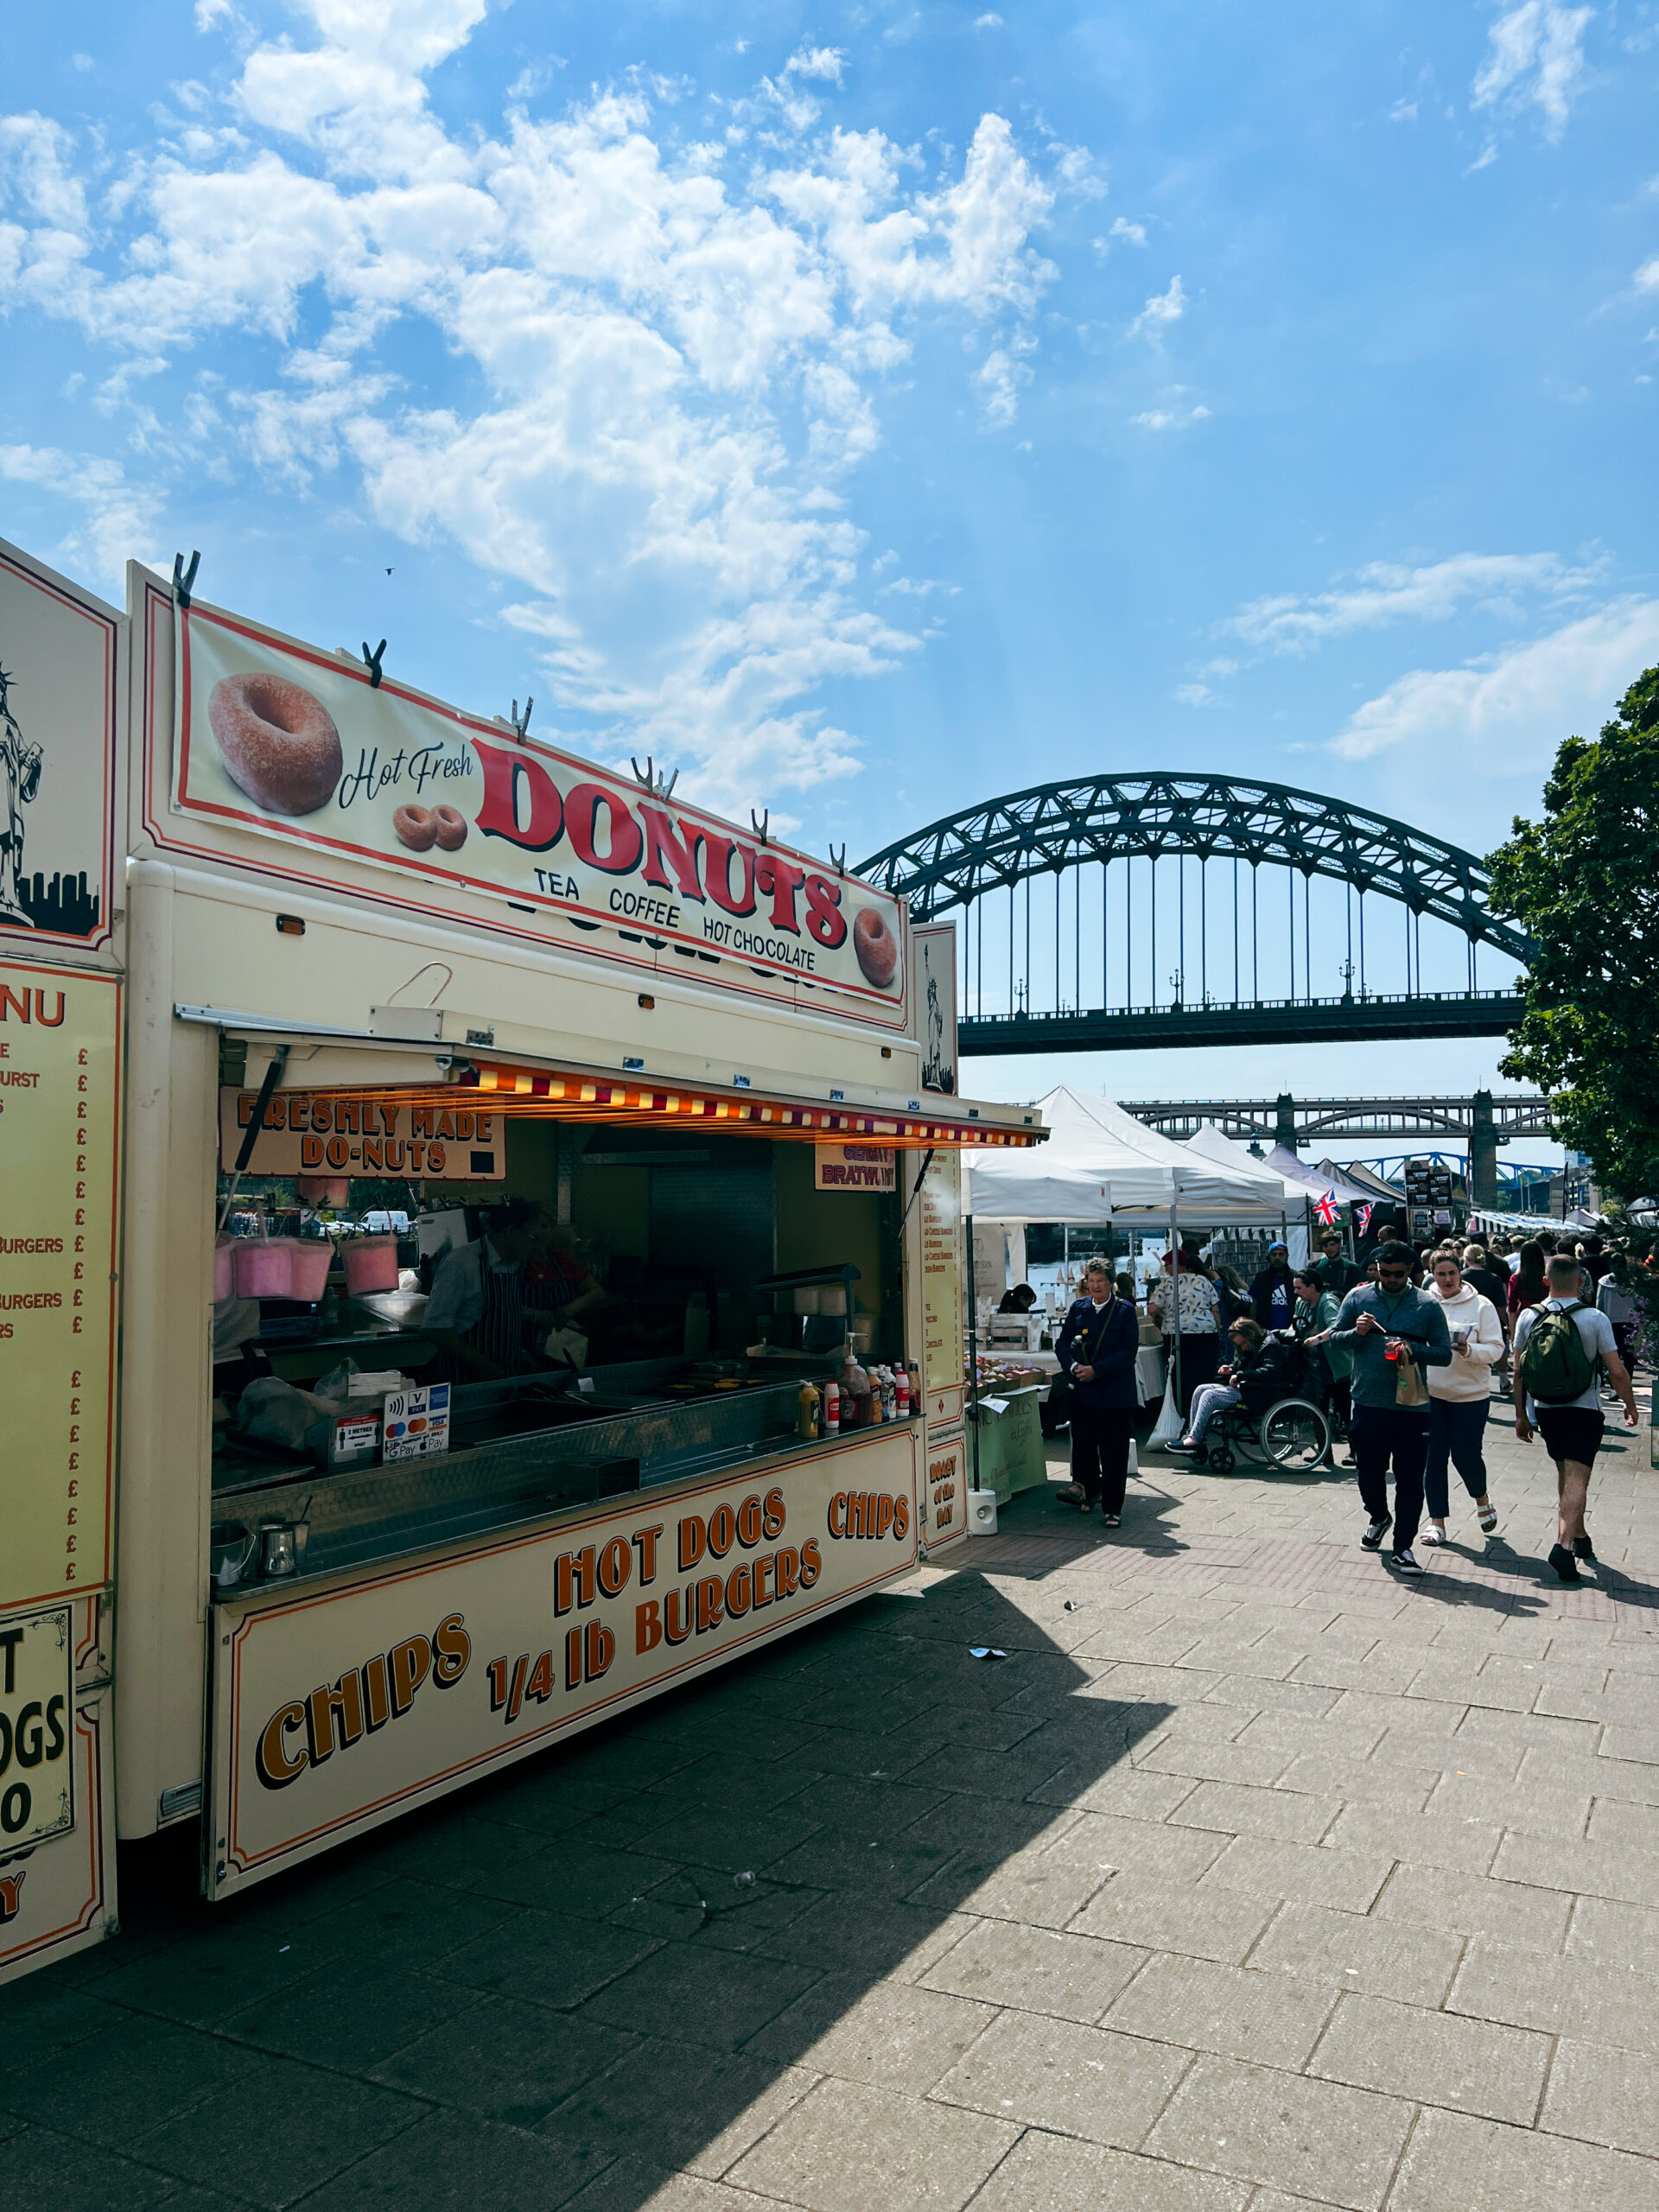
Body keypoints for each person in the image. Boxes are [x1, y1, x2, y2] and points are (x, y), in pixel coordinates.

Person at [1313, 1241, 1452, 1575]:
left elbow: (1445, 1354)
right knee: (1369, 1473)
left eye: (1398, 1274)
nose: (1390, 1279)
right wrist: (1357, 1332)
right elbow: (1336, 1337)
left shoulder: (1427, 1305)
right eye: (1384, 1273)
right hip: (1368, 1401)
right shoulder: (1358, 1297)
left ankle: (1403, 1547)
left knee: (1409, 1479)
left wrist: (1413, 1348)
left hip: (1412, 1406)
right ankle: (1378, 1516)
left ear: (1410, 1272)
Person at [1514, 1253, 1639, 1582]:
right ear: (1582, 1281)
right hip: (1584, 1408)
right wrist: (1629, 1404)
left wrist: (1521, 1417)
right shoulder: (1594, 1318)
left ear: (1546, 1281)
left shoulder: (1529, 1316)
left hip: (1545, 1408)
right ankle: (1563, 1545)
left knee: (1566, 1474)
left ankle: (1580, 1537)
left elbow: (1518, 1372)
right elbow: (1616, 1370)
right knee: (1577, 1479)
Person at [1422, 1250, 1504, 1543]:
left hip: (1471, 1395)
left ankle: (1482, 1499)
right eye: (1441, 1274)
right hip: (1431, 1393)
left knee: (1466, 1455)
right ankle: (1437, 1523)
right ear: (1432, 1274)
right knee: (1433, 1457)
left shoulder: (1481, 1306)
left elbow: (1496, 1349)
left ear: (1461, 1273)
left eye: (1452, 1273)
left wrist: (1469, 1351)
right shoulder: (1424, 1302)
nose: (1447, 1279)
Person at [423, 1196, 556, 1379]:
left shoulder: (514, 1266)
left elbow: (504, 1318)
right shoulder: (462, 1263)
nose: (536, 1247)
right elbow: (436, 1329)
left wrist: (517, 1355)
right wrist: (484, 1365)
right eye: (532, 1238)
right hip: (465, 1383)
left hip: (505, 1378)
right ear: (510, 1231)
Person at [1054, 1257, 1141, 1523]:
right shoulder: (1079, 1308)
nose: (1095, 1286)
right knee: (1084, 1447)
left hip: (1115, 1395)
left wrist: (1097, 1370)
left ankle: (1113, 1507)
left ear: (1110, 1282)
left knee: (1114, 1452)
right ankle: (1089, 1493)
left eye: (1101, 1281)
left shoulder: (1124, 1311)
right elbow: (1062, 1344)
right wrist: (1073, 1367)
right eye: (1090, 1281)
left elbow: (1128, 1354)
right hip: (1083, 1394)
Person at [1172, 1317, 1298, 1452]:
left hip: (1261, 1392)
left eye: (1243, 1344)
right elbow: (1241, 1364)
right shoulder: (1252, 1344)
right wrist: (1231, 1368)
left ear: (1251, 1335)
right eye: (1239, 1345)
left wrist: (1241, 1375)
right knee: (1200, 1389)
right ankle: (1193, 1434)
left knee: (1210, 1395)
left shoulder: (1270, 1346)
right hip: (1248, 1387)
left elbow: (1270, 1371)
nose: (1242, 1347)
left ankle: (1194, 1440)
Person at [1148, 1243, 1222, 1418]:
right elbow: (1215, 1309)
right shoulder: (1203, 1280)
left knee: (1180, 1378)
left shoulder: (1166, 1284)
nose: (1165, 1269)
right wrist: (1216, 1329)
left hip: (1177, 1335)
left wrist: (1160, 1321)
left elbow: (1152, 1309)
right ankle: (1205, 1415)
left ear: (1176, 1264)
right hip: (1206, 1335)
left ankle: (1183, 1415)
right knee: (1203, 1376)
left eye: (1166, 1265)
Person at [1295, 1268, 1349, 1434]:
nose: (1296, 1292)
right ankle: (1323, 1453)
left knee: (1346, 1412)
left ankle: (1354, 1452)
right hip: (1315, 1370)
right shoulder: (1301, 1304)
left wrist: (1317, 1338)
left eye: (1299, 1288)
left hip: (1336, 1369)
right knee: (1317, 1412)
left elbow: (1336, 1326)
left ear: (1312, 1287)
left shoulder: (1327, 1302)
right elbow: (1297, 1325)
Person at [1595, 1266, 1640, 1372]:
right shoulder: (1632, 1281)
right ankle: (1628, 1379)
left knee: (1611, 1353)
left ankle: (1612, 1378)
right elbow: (1638, 1302)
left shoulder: (1604, 1282)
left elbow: (1599, 1302)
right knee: (1628, 1354)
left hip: (1610, 1321)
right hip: (1630, 1321)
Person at [1249, 1243, 1297, 1332]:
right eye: (1274, 1255)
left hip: (1292, 1331)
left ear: (1287, 1256)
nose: (1277, 1258)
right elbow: (1254, 1304)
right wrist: (1254, 1327)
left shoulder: (1296, 1278)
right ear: (1269, 1257)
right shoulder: (1261, 1279)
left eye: (1281, 1254)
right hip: (1266, 1331)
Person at [1508, 1239, 1548, 1323]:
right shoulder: (1547, 1277)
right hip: (1545, 1316)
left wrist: (1512, 1332)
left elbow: (1512, 1309)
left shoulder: (1516, 1279)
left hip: (1525, 1317)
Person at [1315, 1229, 1361, 1297]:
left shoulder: (1352, 1268)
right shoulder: (1315, 1267)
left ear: (1339, 1245)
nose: (1329, 1248)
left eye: (1332, 1245)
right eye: (1326, 1246)